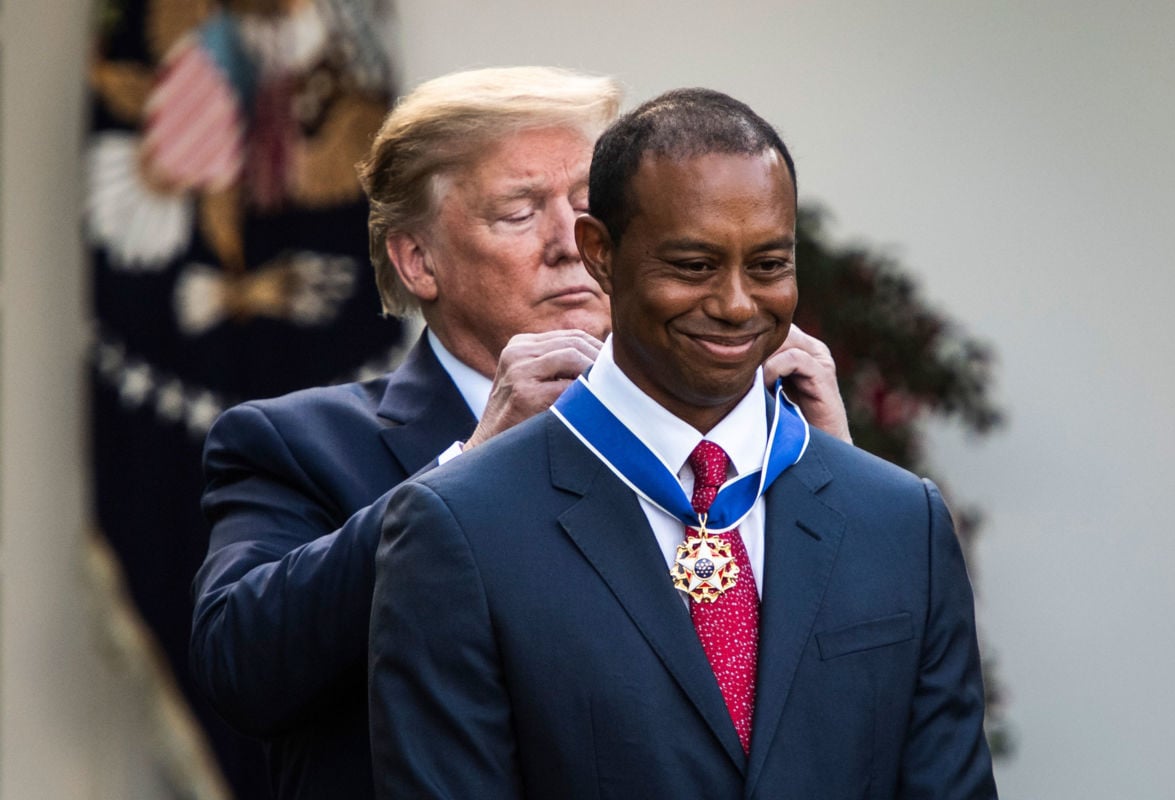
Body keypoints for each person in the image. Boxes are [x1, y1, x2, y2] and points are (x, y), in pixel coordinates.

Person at [191, 68, 851, 799]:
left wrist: (838, 487)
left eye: (589, 210)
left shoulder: (751, 435)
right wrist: (469, 467)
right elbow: (240, 667)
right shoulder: (299, 444)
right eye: (518, 212)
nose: (571, 244)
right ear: (419, 261)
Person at [369, 88, 996, 798]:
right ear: (599, 253)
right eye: (694, 266)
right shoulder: (461, 529)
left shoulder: (899, 521)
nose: (735, 305)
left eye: (767, 265)